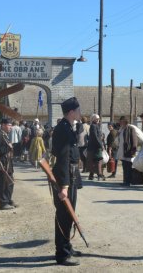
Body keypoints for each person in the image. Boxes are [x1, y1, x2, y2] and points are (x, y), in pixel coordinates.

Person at [51, 97, 83, 266]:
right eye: (78, 110)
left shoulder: (68, 127)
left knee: (69, 214)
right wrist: (64, 185)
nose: (80, 113)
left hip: (70, 175)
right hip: (65, 176)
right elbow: (62, 157)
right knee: (64, 215)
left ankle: (67, 246)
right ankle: (61, 254)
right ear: (71, 112)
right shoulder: (63, 129)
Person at [0, 118, 16, 210]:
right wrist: (8, 148)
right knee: (2, 183)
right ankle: (3, 203)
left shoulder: (5, 135)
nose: (11, 127)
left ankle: (8, 200)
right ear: (3, 125)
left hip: (8, 162)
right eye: (9, 125)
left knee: (9, 182)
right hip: (2, 162)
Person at [116, 116, 138, 186]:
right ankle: (125, 181)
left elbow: (134, 140)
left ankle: (128, 182)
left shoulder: (130, 128)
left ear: (124, 121)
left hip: (128, 151)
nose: (120, 122)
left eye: (121, 121)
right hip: (122, 151)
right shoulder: (121, 129)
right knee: (124, 166)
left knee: (128, 167)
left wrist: (134, 150)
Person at [87, 114, 105, 181]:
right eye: (96, 119)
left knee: (94, 161)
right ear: (93, 119)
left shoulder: (95, 126)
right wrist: (101, 145)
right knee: (98, 161)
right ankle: (99, 175)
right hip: (96, 147)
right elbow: (95, 137)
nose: (98, 120)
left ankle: (91, 175)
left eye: (98, 119)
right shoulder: (93, 126)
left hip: (94, 146)